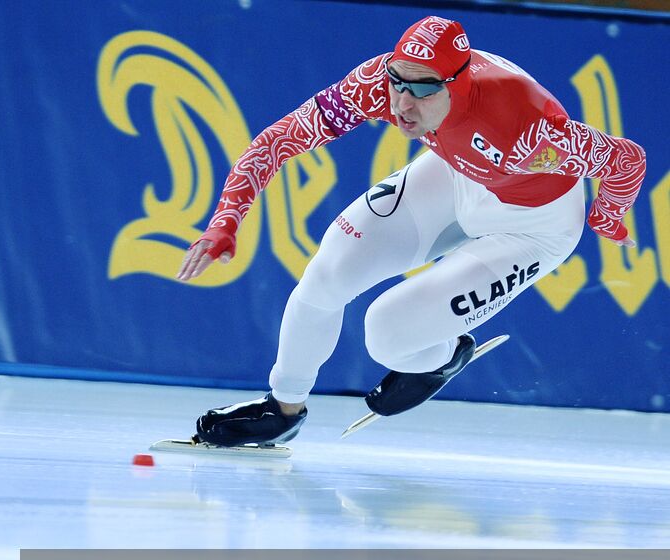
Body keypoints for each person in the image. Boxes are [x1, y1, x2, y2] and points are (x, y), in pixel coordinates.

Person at [177, 16, 645, 447]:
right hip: (457, 176)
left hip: (533, 226)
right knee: (328, 272)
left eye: (422, 89)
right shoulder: (377, 84)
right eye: (397, 81)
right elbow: (278, 140)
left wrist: (606, 214)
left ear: (459, 87)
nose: (402, 103)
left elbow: (626, 160)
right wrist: (225, 221)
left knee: (388, 334)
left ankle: (441, 357)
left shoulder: (528, 132)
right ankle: (282, 409)